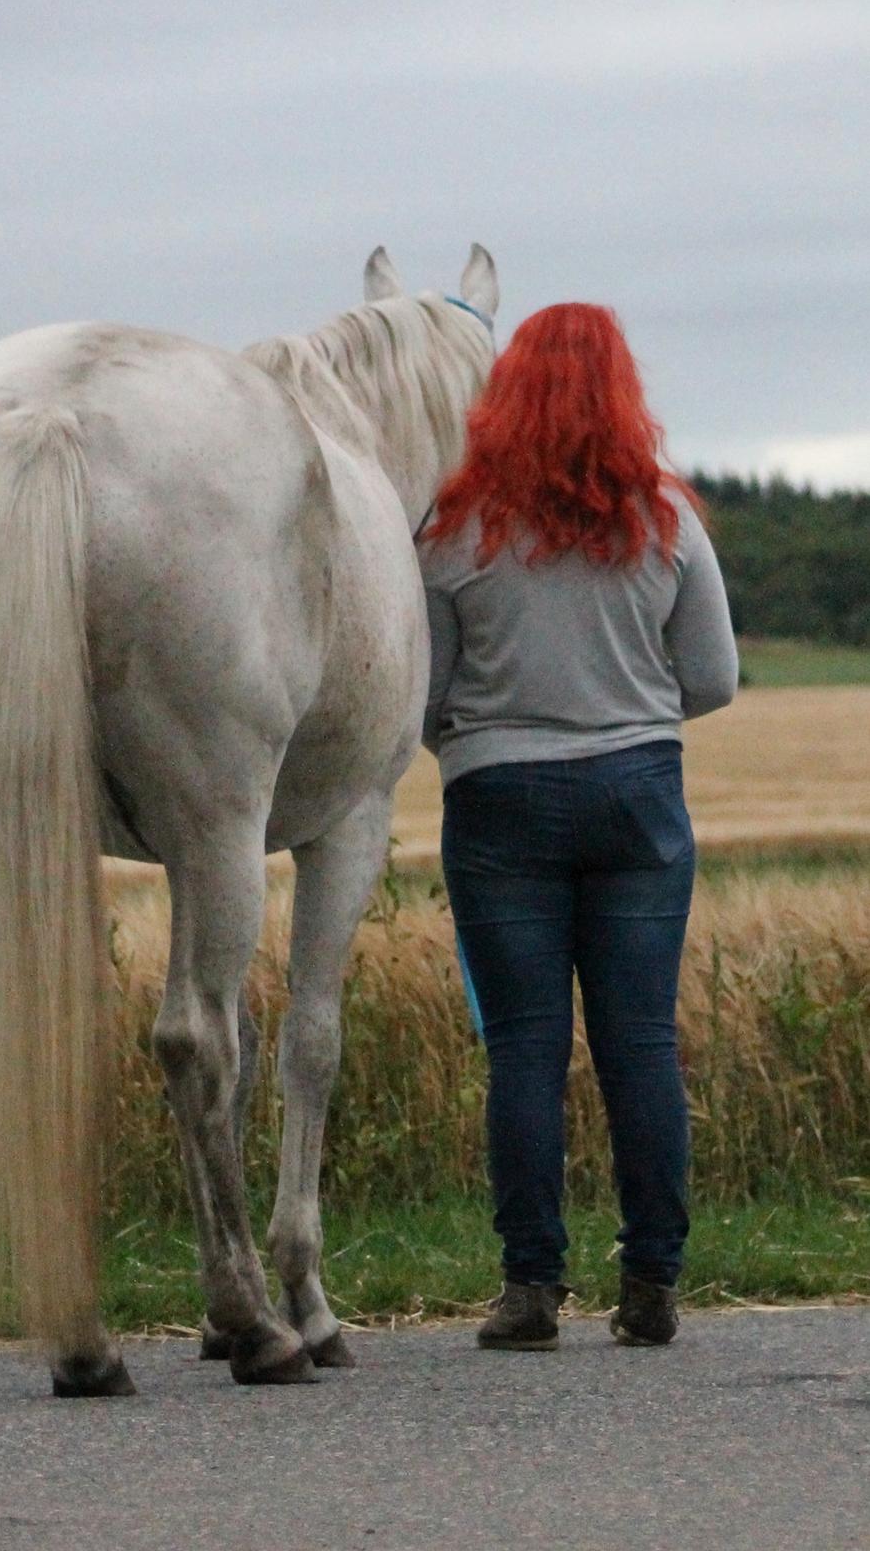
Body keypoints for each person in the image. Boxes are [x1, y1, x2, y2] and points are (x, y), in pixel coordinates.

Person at [418, 303, 738, 1351]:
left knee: (522, 1049)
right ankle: (649, 1282)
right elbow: (712, 678)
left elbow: (419, 697)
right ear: (621, 392)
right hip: (638, 790)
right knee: (638, 1043)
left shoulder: (451, 528)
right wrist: (626, 715)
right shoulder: (664, 518)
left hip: (497, 797)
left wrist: (491, 730)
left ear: (500, 394)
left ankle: (529, 1289)